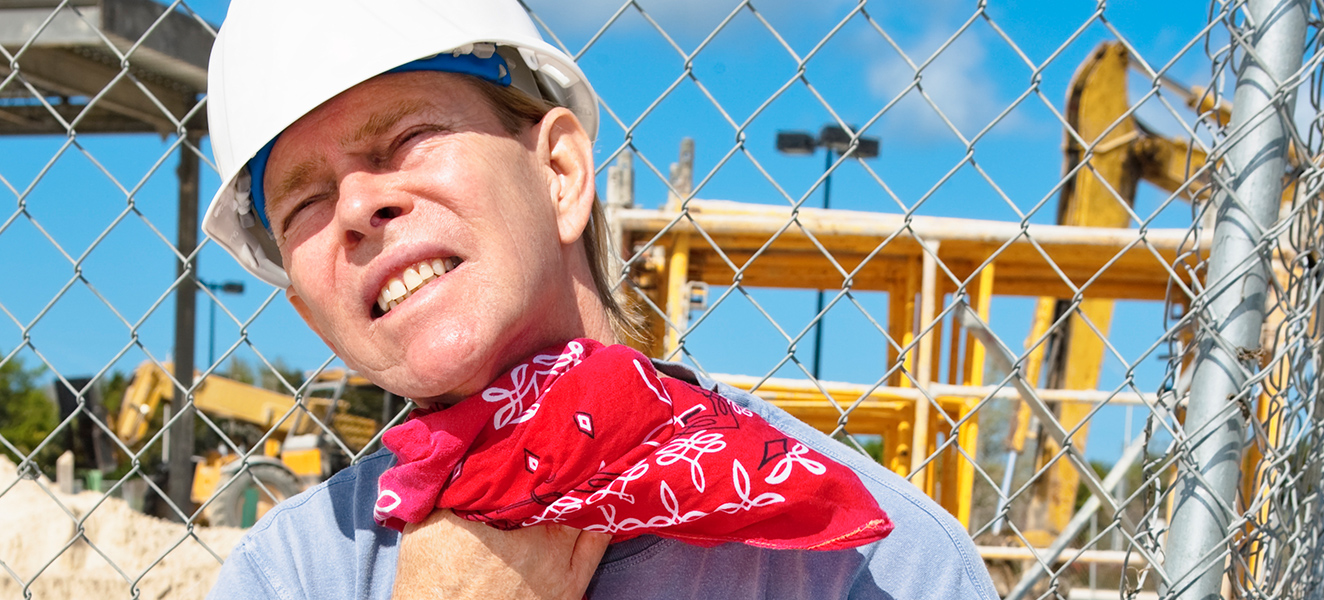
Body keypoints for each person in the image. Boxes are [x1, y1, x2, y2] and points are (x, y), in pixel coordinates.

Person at [200, 1, 1000, 598]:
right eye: (304, 204)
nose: (356, 208)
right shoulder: (290, 576)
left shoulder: (865, 560)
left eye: (405, 137)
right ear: (309, 310)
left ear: (560, 175)